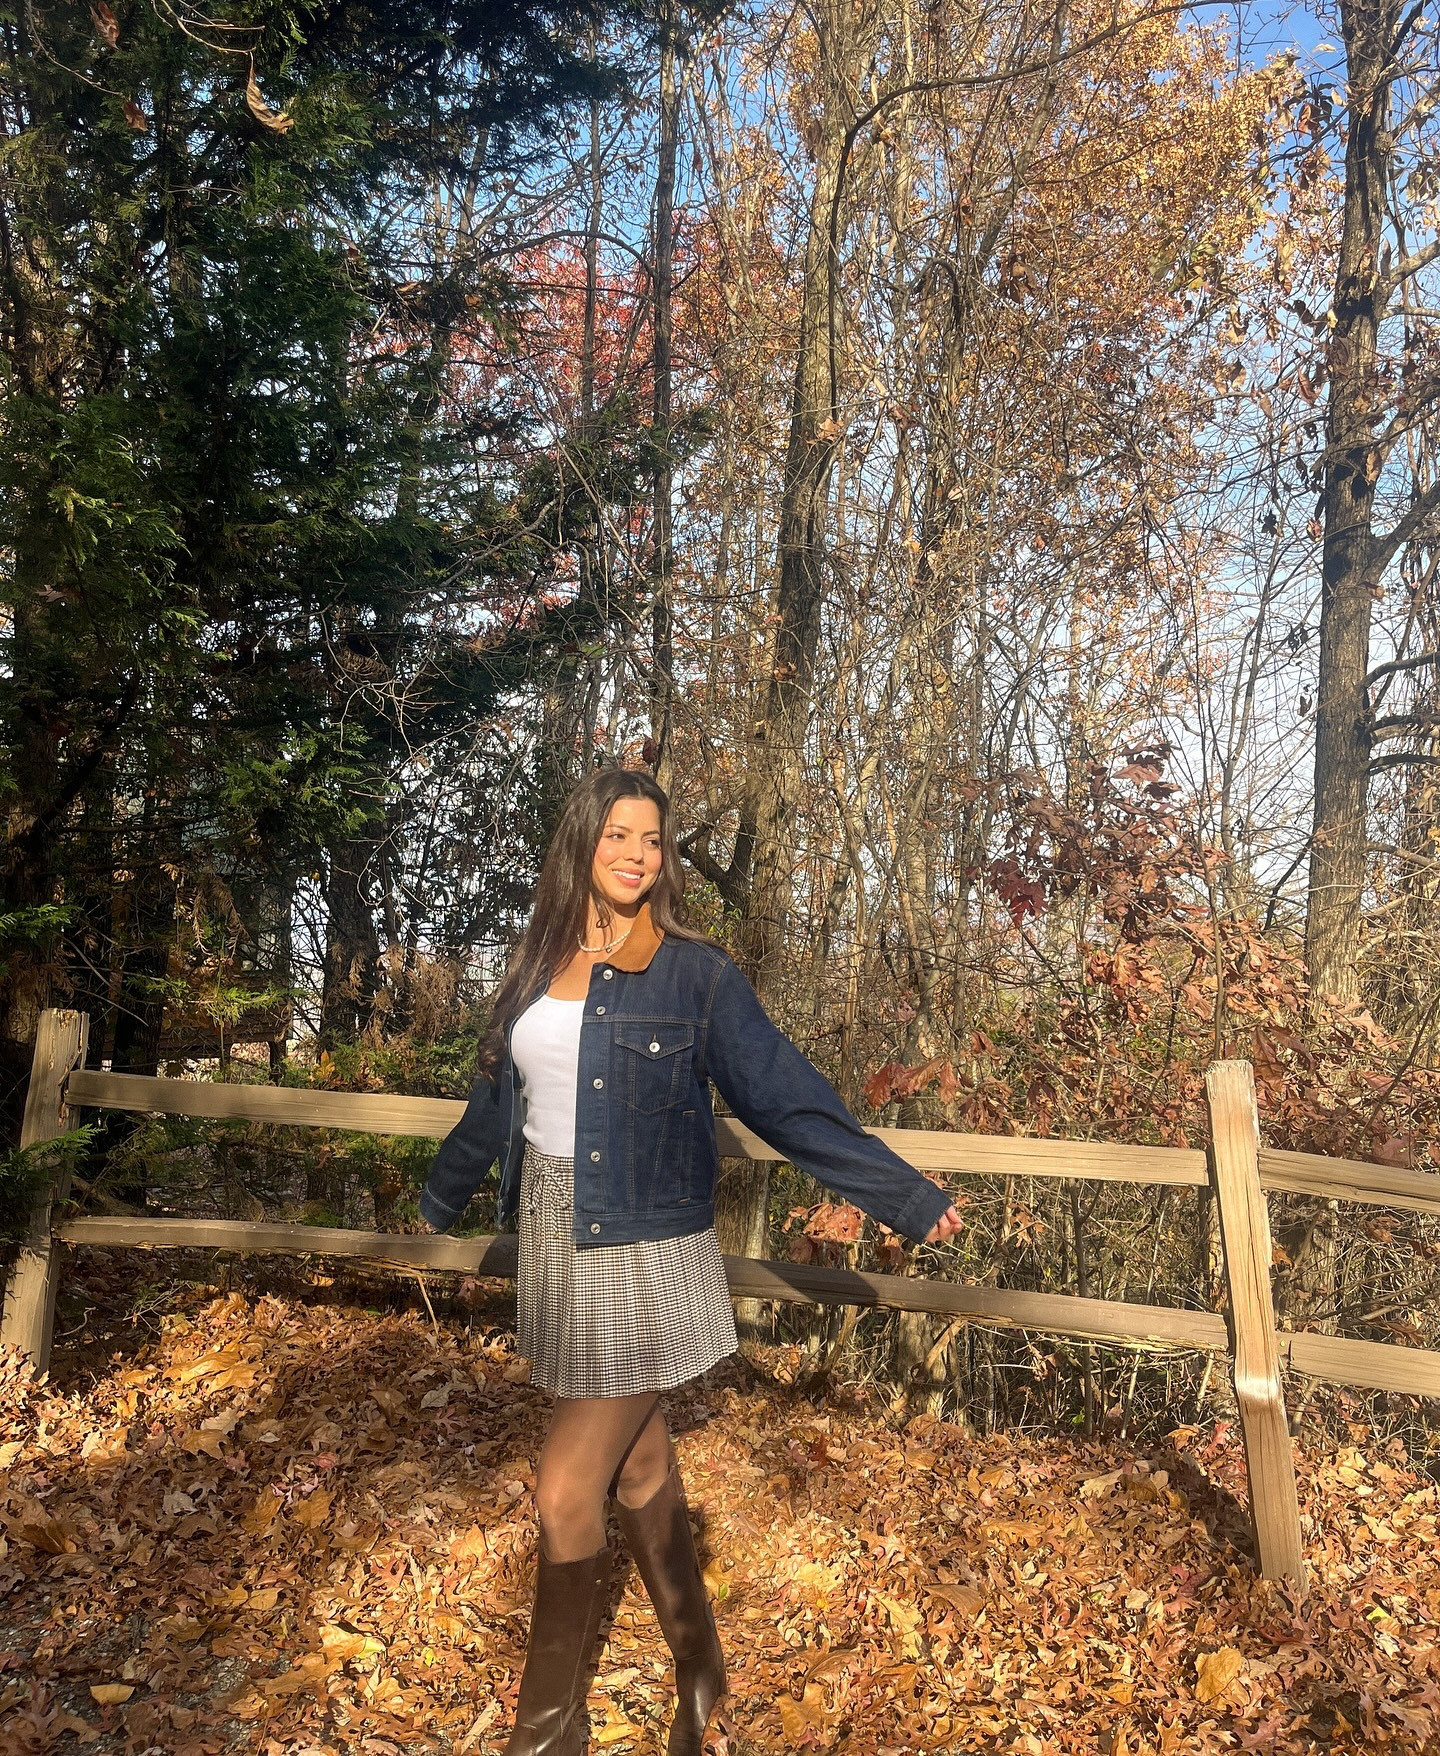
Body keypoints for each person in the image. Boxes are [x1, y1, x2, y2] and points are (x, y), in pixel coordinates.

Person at [419, 768, 963, 1756]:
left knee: (563, 1491)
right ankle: (703, 1673)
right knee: (642, 1468)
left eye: (653, 839)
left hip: (644, 1246)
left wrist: (906, 1197)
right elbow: (499, 1103)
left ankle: (546, 1735)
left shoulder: (694, 976)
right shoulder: (536, 962)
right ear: (582, 842)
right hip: (553, 1239)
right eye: (619, 833)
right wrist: (438, 1197)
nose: (636, 852)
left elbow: (786, 1099)